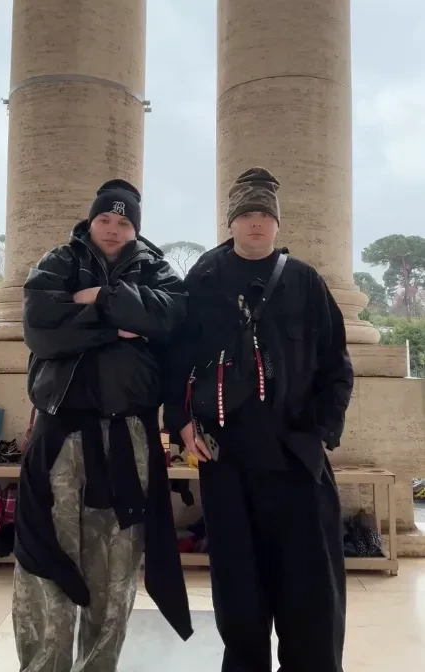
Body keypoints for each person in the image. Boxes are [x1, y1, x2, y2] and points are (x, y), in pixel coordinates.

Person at [164, 168, 353, 672]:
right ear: (231, 222)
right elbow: (175, 358)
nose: (255, 223)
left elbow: (336, 364)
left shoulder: (305, 281)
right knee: (239, 592)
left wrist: (321, 431)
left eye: (264, 215)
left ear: (276, 223)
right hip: (228, 460)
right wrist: (181, 421)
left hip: (296, 460)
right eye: (246, 214)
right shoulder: (203, 279)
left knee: (311, 591)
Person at [13, 179, 193, 672]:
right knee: (46, 555)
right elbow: (41, 328)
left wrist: (99, 297)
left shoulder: (158, 270)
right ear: (91, 221)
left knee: (115, 566)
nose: (113, 229)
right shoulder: (58, 262)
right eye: (105, 219)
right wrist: (118, 326)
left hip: (128, 437)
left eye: (123, 222)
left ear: (136, 228)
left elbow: (174, 318)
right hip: (60, 433)